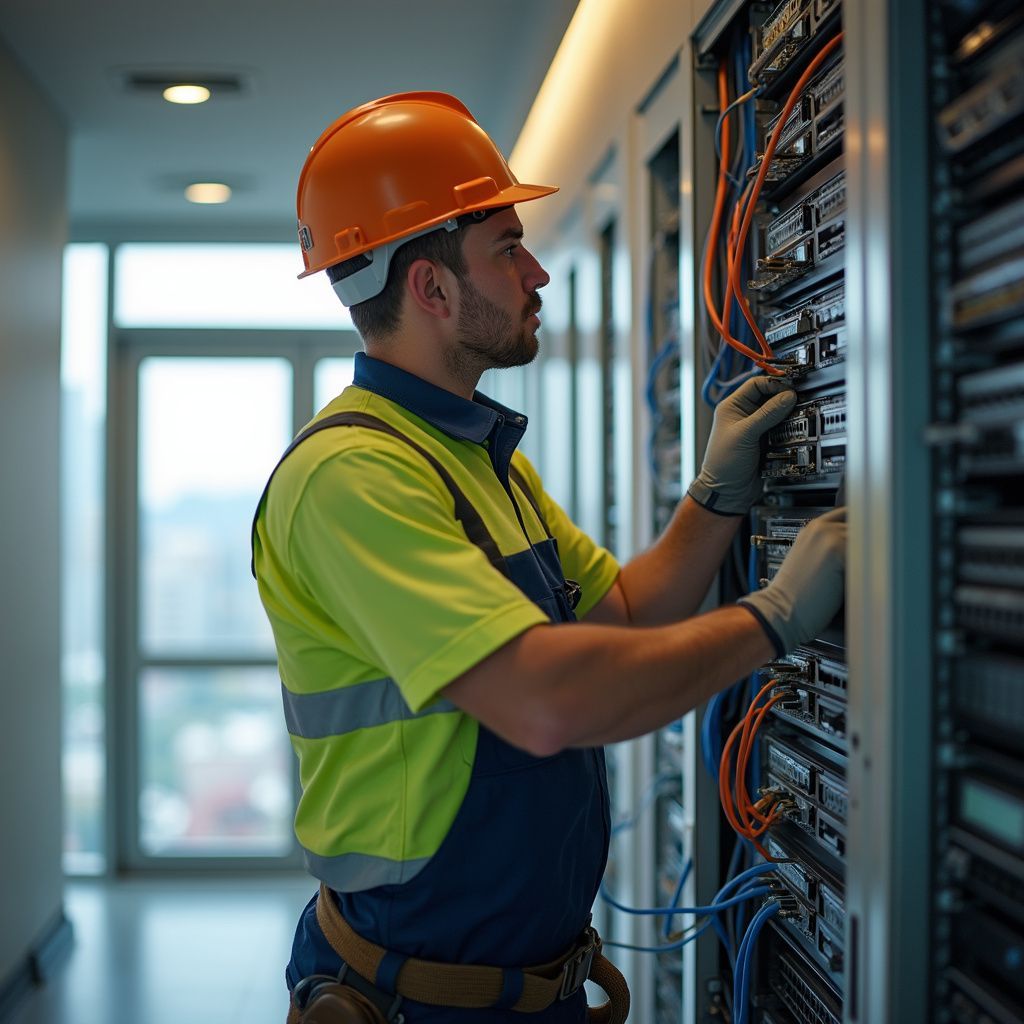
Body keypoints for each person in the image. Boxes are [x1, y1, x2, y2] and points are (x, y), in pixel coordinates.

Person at [251, 92, 846, 1024]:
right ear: (432, 290)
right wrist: (775, 617)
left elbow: (626, 611)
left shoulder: (475, 459)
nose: (538, 273)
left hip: (530, 988)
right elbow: (544, 702)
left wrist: (716, 493)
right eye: (507, 247)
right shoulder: (352, 478)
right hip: (419, 998)